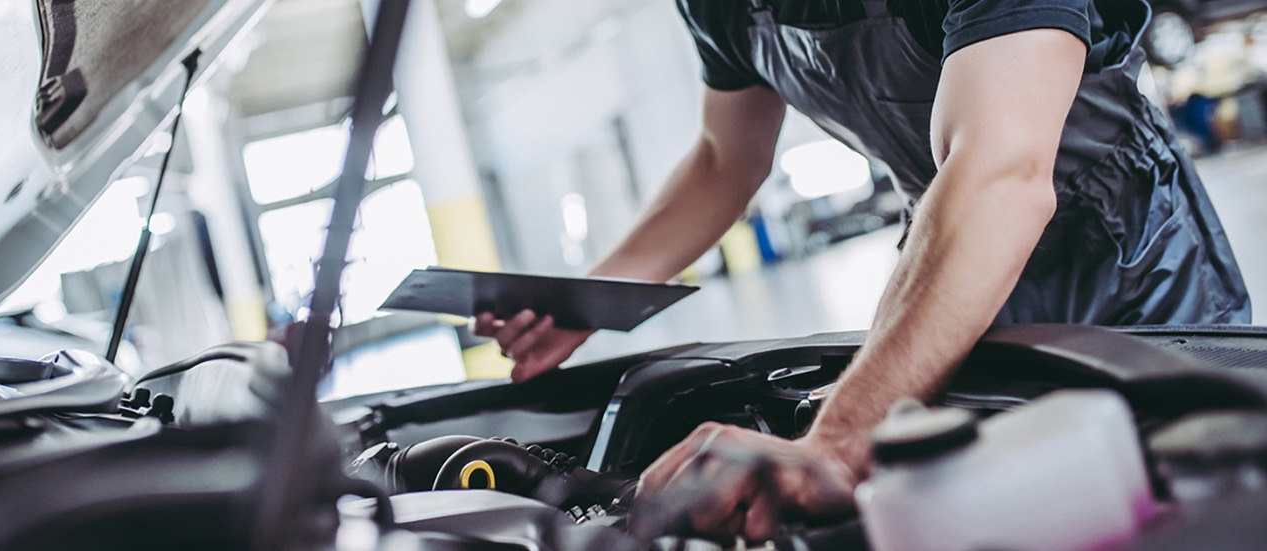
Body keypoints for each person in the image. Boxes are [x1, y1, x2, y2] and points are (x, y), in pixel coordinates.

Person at [474, 0, 1251, 540]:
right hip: (945, 268)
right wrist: (590, 300)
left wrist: (836, 440)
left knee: (1178, 507)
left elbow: (1001, 169)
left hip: (1132, 262)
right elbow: (725, 157)